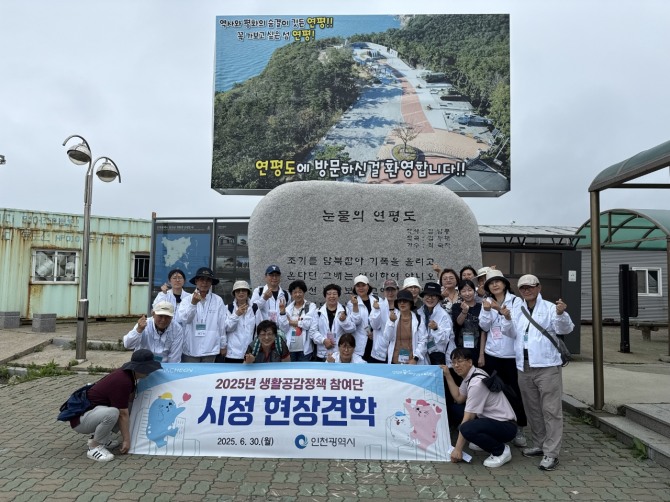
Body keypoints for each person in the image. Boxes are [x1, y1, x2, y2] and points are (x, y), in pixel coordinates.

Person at [500, 274, 574, 471]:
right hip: (523, 366)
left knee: (551, 410)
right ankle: (539, 444)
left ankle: (552, 453)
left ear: (538, 287)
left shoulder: (550, 308)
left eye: (530, 287)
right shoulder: (517, 309)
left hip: (547, 367)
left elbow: (565, 329)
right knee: (532, 409)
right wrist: (506, 318)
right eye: (523, 288)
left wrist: (561, 314)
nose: (527, 290)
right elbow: (510, 333)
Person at [70, 349, 162, 462]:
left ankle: (102, 438)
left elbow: (128, 402)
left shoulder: (128, 375)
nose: (150, 372)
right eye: (148, 368)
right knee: (114, 412)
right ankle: (94, 447)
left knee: (129, 406)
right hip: (80, 421)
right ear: (140, 368)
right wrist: (126, 440)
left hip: (92, 414)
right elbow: (123, 414)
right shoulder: (123, 381)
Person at [442, 348, 517, 468]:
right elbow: (459, 398)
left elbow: (468, 418)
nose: (456, 365)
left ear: (470, 362)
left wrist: (458, 449)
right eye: (453, 362)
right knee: (454, 409)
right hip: (493, 420)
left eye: (460, 361)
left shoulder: (476, 383)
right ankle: (486, 441)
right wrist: (447, 374)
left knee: (466, 428)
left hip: (506, 425)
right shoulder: (471, 375)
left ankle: (501, 450)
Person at [478, 269, 528, 447]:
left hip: (511, 356)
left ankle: (519, 427)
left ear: (505, 284)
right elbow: (484, 327)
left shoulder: (516, 301)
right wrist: (486, 311)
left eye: (498, 281)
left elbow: (516, 328)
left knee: (515, 392)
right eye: (491, 283)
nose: (495, 285)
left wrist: (499, 310)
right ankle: (496, 427)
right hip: (492, 354)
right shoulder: (487, 302)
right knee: (493, 392)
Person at [179, 267, 226, 362]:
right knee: (191, 372)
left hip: (211, 347)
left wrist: (223, 345)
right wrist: (193, 304)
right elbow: (185, 320)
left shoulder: (218, 300)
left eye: (208, 280)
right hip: (191, 347)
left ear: (211, 282)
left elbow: (222, 324)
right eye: (202, 279)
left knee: (208, 372)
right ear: (196, 281)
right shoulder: (186, 300)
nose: (205, 283)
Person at [223, 280, 265, 363]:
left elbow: (259, 329)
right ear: (234, 293)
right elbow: (226, 328)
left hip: (251, 353)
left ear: (248, 293)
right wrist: (236, 314)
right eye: (238, 291)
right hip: (232, 354)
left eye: (244, 290)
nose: (241, 293)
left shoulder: (255, 308)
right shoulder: (228, 308)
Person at [312, 284, 356, 361]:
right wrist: (323, 340)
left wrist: (344, 321)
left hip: (340, 354)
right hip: (323, 353)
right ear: (325, 296)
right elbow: (313, 331)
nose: (332, 296)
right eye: (329, 294)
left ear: (338, 296)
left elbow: (352, 329)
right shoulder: (318, 312)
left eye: (334, 294)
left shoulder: (345, 310)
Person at [384, 289, 428, 364]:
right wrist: (391, 322)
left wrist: (415, 358)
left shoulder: (418, 319)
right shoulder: (393, 317)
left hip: (412, 362)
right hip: (394, 361)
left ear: (410, 303)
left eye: (405, 301)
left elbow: (423, 340)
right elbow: (387, 337)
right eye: (399, 301)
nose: (402, 303)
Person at [278, 279, 317, 361]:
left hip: (305, 349)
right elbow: (284, 328)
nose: (297, 294)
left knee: (304, 369)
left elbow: (307, 324)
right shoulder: (287, 309)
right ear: (291, 294)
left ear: (304, 293)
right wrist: (282, 313)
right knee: (291, 369)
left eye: (300, 292)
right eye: (295, 292)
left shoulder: (311, 306)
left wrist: (290, 322)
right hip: (290, 348)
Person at [418, 282, 454, 366]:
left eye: (433, 296)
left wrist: (436, 329)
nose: (430, 298)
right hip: (424, 352)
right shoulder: (420, 312)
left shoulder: (444, 315)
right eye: (427, 295)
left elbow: (445, 340)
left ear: (438, 298)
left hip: (439, 355)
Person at [451, 279, 484, 362]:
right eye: (463, 291)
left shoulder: (481, 307)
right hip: (460, 349)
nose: (467, 293)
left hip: (477, 348)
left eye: (470, 290)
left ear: (474, 291)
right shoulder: (456, 306)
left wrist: (481, 355)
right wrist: (464, 311)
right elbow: (458, 323)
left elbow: (483, 331)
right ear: (459, 293)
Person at [367, 279, 399, 363]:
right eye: (387, 290)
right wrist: (377, 310)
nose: (390, 293)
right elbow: (374, 326)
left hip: (396, 350)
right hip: (379, 351)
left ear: (397, 290)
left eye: (393, 290)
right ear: (384, 292)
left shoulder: (401, 307)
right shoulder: (378, 306)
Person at [347, 275, 377, 361]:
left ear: (368, 286)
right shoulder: (351, 303)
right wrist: (355, 305)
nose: (361, 288)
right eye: (358, 286)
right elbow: (355, 322)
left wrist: (375, 333)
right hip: (360, 340)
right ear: (355, 288)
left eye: (363, 285)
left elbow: (382, 321)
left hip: (375, 339)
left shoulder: (377, 300)